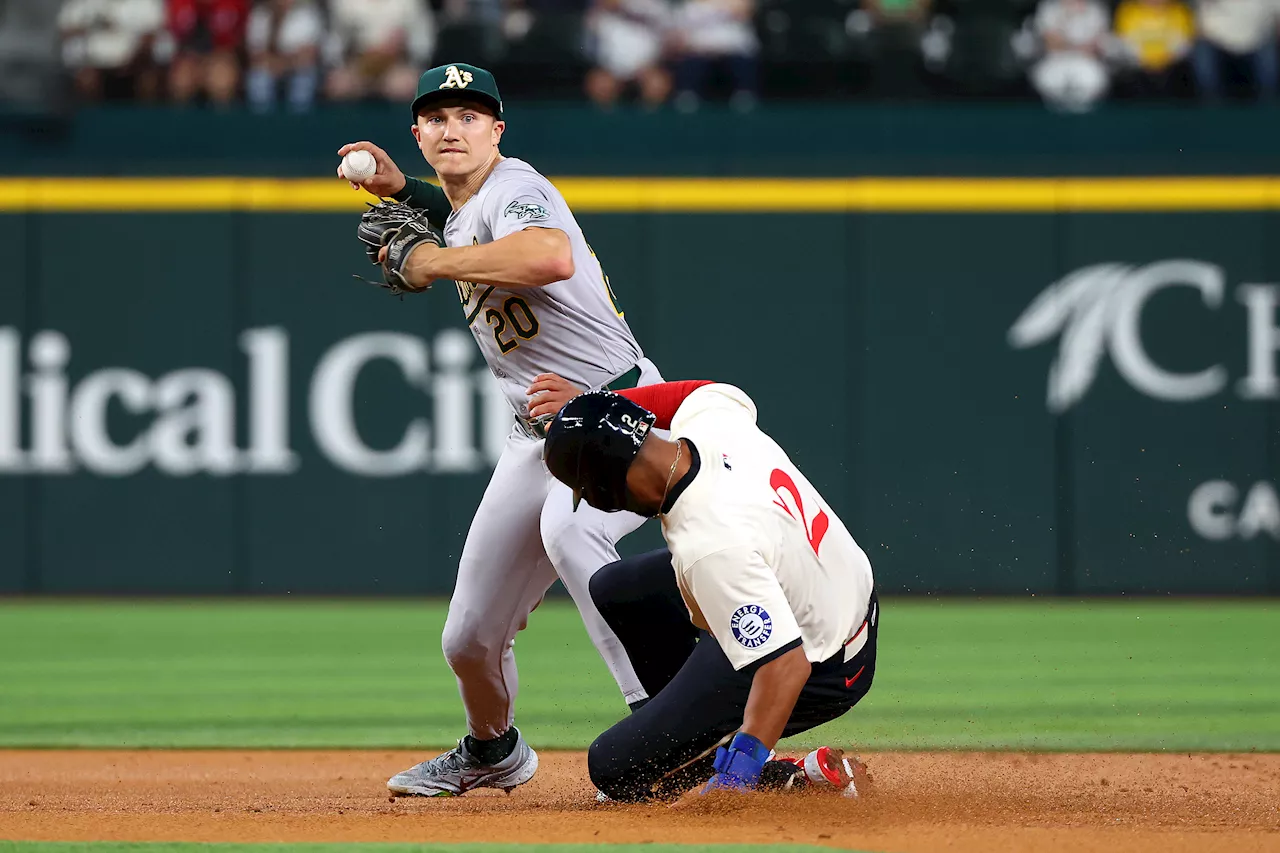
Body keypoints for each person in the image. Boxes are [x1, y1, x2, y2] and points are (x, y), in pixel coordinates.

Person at [336, 63, 664, 797]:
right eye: (439, 117)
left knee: (571, 532)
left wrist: (429, 265)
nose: (454, 127)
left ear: (497, 131)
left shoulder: (518, 185)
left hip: (614, 409)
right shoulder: (463, 204)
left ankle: (665, 727)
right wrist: (400, 193)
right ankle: (493, 750)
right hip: (537, 435)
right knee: (469, 637)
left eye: (471, 115)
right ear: (417, 133)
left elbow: (547, 255)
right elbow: (455, 215)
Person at [530, 376, 878, 801]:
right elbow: (704, 389)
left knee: (615, 767)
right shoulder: (711, 423)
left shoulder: (708, 544)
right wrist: (602, 405)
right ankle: (688, 747)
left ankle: (779, 775)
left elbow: (786, 666)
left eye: (588, 492)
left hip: (826, 659)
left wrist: (739, 777)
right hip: (827, 587)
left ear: (607, 483)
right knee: (618, 586)